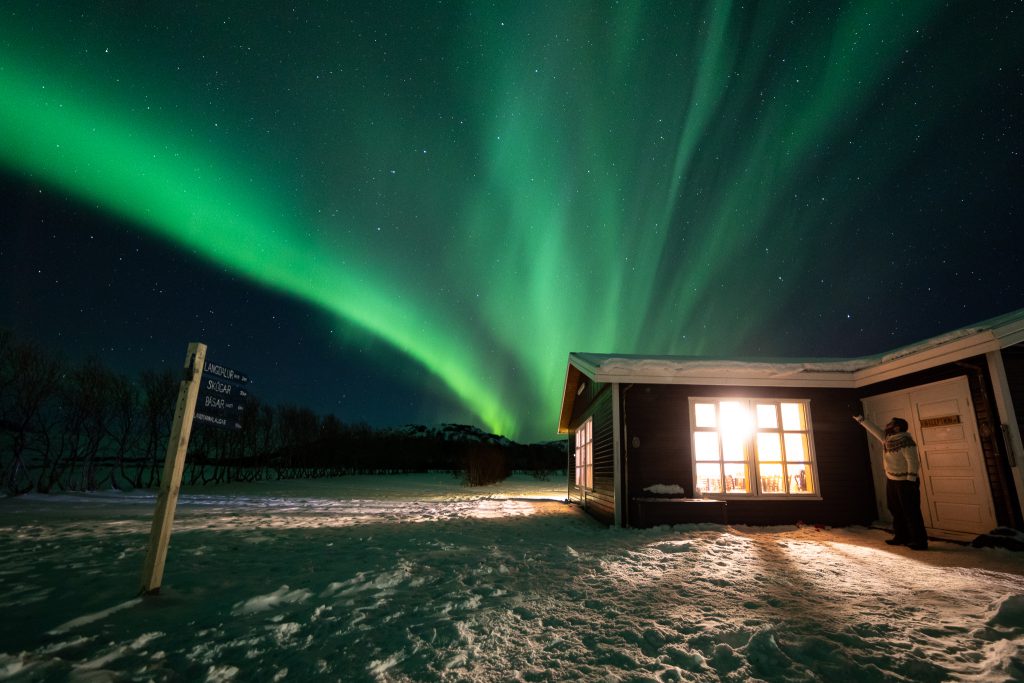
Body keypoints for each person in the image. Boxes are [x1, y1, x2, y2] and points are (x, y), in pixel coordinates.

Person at [853, 415, 928, 550]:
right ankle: (901, 537)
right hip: (892, 480)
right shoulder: (887, 439)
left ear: (897, 428)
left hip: (906, 482)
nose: (887, 425)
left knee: (911, 511)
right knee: (895, 509)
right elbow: (873, 429)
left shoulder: (906, 442)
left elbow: (913, 462)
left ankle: (919, 541)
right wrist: (859, 418)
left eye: (890, 424)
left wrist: (911, 480)